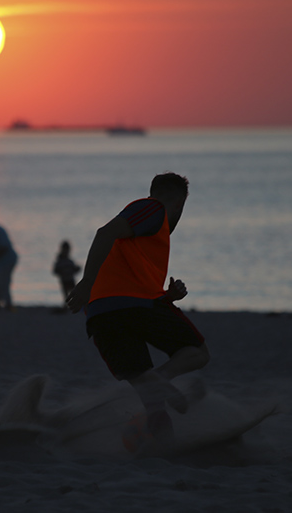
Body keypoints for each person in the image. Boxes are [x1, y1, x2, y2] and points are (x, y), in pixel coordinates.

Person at [66, 172, 210, 444]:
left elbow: (127, 277)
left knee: (151, 399)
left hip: (101, 315)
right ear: (179, 203)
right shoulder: (152, 208)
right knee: (198, 353)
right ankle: (160, 378)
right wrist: (85, 283)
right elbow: (104, 233)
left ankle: (163, 441)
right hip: (132, 306)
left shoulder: (145, 233)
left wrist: (168, 296)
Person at [52, 240, 81, 308]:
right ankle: (67, 306)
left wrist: (77, 269)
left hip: (70, 280)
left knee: (74, 294)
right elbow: (55, 271)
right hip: (64, 280)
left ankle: (74, 305)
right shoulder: (60, 261)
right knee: (66, 295)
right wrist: (62, 271)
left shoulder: (69, 261)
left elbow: (74, 270)